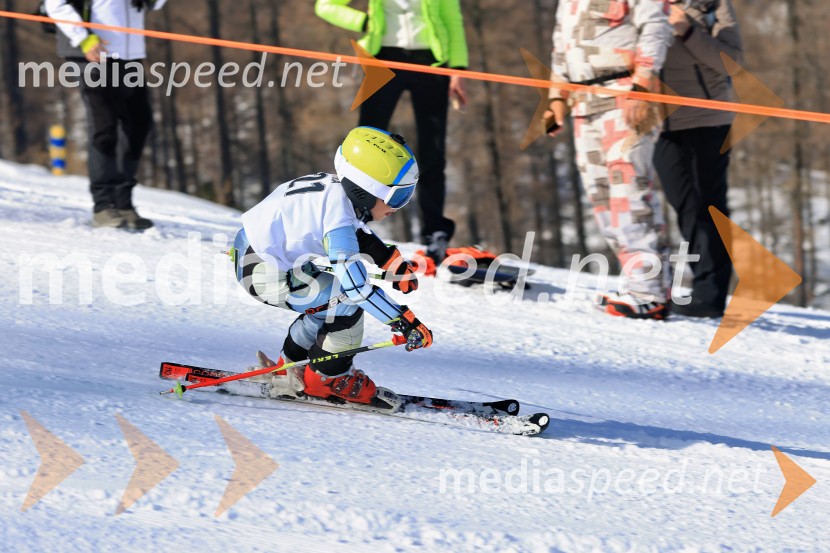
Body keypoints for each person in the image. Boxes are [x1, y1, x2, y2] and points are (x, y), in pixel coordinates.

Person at [233, 126, 433, 405]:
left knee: (330, 300)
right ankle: (328, 379)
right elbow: (358, 289)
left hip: (261, 255)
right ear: (364, 192)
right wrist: (405, 321)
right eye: (397, 197)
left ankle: (292, 365)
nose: (398, 207)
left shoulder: (335, 190)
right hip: (264, 273)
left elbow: (355, 232)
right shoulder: (338, 223)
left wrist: (390, 261)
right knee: (345, 303)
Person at [545, 0, 673, 320]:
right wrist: (556, 98)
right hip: (584, 103)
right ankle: (638, 281)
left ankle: (650, 291)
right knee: (601, 199)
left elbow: (656, 28)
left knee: (628, 196)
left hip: (625, 94)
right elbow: (562, 46)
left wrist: (642, 84)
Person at [314, 0, 469, 264]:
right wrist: (362, 22)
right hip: (383, 59)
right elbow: (325, 6)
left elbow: (452, 19)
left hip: (431, 62)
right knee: (364, 145)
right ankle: (348, 220)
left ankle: (434, 233)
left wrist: (458, 69)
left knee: (433, 149)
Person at [44, 0, 166, 230]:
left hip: (130, 54)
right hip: (94, 52)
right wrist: (83, 37)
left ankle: (123, 201)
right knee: (105, 125)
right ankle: (102, 205)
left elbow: (155, 4)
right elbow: (55, 4)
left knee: (139, 123)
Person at [655, 0, 743, 318]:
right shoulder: (645, 5)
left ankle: (710, 295)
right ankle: (697, 286)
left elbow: (732, 62)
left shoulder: (713, 6)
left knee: (707, 206)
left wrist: (688, 30)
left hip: (708, 121)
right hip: (662, 125)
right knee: (684, 206)